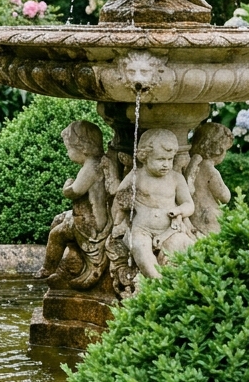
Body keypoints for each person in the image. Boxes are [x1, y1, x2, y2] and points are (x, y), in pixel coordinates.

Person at [38, 120, 114, 287]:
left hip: (90, 224)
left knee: (56, 234)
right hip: (90, 217)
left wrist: (67, 186)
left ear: (83, 148)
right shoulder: (101, 161)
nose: (68, 153)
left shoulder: (91, 167)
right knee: (59, 218)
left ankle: (48, 268)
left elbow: (76, 191)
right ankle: (65, 262)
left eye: (69, 149)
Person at [117, 128, 196, 279]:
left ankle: (179, 284)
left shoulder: (176, 178)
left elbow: (189, 204)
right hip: (142, 229)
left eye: (170, 159)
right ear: (144, 156)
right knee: (140, 247)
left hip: (169, 230)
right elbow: (120, 196)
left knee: (187, 247)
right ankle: (156, 281)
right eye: (160, 159)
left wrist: (179, 211)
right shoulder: (136, 175)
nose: (166, 164)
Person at [186, 121, 233, 235]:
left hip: (194, 212)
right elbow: (224, 196)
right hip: (209, 215)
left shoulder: (191, 162)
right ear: (218, 150)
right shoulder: (210, 171)